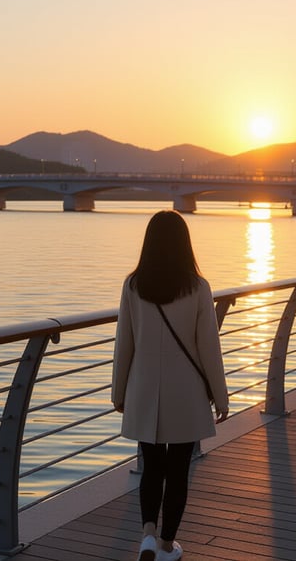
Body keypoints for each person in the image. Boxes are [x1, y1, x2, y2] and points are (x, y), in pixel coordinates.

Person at [112, 210, 229, 561]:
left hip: (144, 390)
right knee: (178, 472)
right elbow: (209, 347)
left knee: (151, 467)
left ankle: (146, 535)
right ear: (184, 243)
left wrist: (119, 393)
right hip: (186, 394)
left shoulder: (133, 285)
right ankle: (166, 546)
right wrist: (221, 396)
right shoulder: (198, 287)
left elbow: (124, 344)